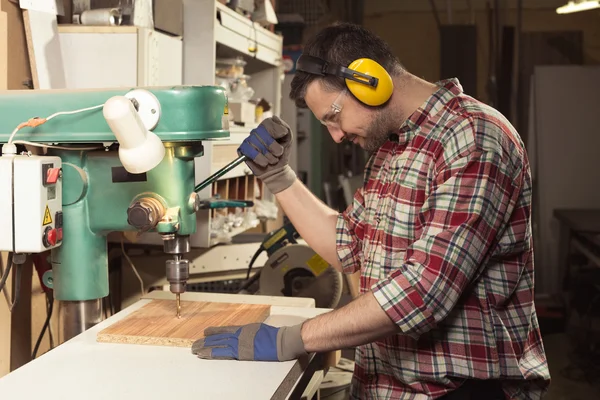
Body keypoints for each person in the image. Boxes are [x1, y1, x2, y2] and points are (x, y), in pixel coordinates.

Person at [192, 23, 551, 399]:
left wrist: (292, 339)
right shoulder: (390, 148)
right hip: (387, 387)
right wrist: (279, 178)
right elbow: (349, 245)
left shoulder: (475, 138)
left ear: (369, 79)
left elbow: (423, 292)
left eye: (333, 116)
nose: (336, 135)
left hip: (458, 392)